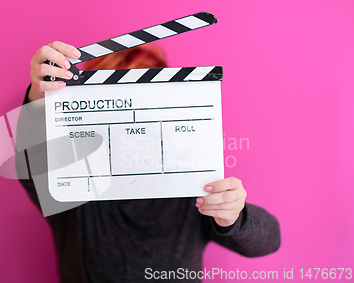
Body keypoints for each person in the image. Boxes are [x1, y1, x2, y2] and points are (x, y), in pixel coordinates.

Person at [20, 41, 280, 282]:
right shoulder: (73, 185)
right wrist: (38, 99)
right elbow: (30, 163)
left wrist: (235, 214)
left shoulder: (191, 186)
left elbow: (268, 241)